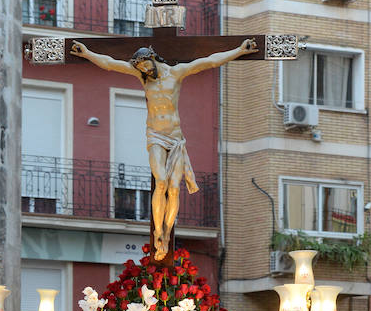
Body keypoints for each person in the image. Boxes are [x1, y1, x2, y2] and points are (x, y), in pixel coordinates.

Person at [70, 38, 257, 259]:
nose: (145, 71)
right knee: (160, 181)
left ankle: (167, 235)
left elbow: (209, 62)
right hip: (155, 136)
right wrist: (87, 53)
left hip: (175, 139)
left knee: (175, 188)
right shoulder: (142, 77)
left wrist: (239, 50)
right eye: (141, 69)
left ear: (153, 58)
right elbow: (110, 63)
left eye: (146, 65)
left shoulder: (176, 73)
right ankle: (157, 230)